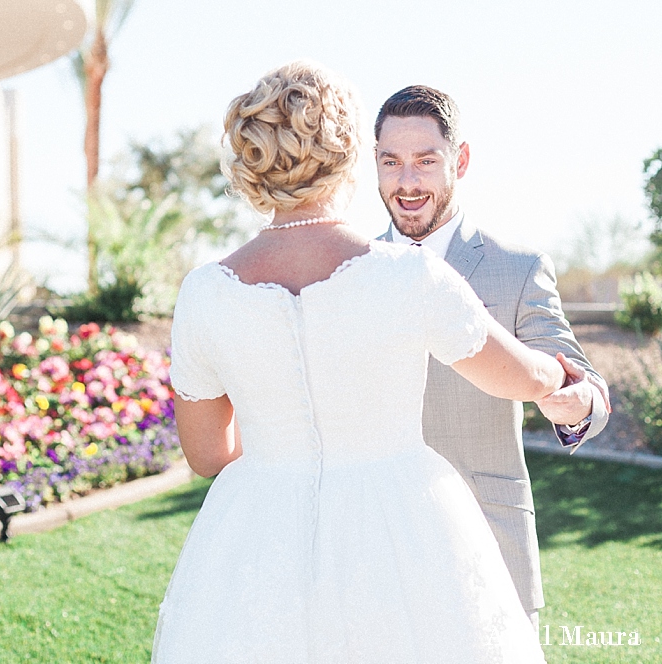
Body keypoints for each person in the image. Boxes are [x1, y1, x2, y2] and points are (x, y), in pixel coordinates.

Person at [152, 60, 559, 663]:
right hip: (404, 526)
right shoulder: (409, 276)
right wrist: (557, 375)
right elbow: (522, 377)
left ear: (253, 161)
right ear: (349, 156)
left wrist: (284, 443)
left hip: (259, 534)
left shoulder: (206, 293)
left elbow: (208, 454)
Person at [373, 85, 611, 626]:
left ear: (460, 160)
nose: (407, 182)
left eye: (425, 162)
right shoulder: (349, 271)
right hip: (375, 546)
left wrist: (574, 406)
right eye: (391, 162)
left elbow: (584, 383)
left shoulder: (518, 268)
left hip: (489, 540)